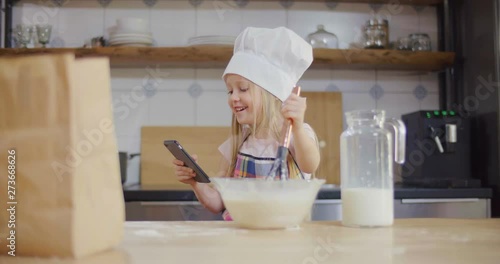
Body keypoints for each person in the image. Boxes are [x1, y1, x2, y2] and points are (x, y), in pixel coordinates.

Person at [173, 26, 321, 219]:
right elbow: (218, 203)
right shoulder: (239, 142)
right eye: (230, 91)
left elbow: (310, 165)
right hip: (239, 239)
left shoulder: (294, 134)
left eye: (242, 89)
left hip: (281, 242)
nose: (234, 97)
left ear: (271, 93)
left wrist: (299, 126)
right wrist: (195, 183)